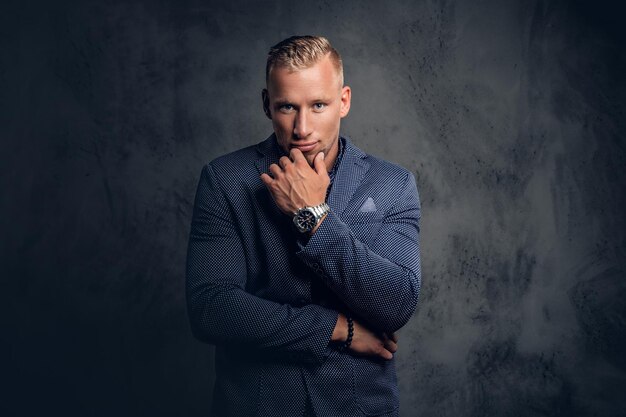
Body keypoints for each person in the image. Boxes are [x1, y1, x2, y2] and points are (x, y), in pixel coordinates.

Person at [186, 35, 421, 417]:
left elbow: (396, 304)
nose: (302, 128)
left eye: (318, 105)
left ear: (343, 101)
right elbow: (212, 309)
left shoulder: (392, 184)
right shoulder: (225, 180)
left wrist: (313, 215)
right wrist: (336, 329)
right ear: (267, 105)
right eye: (286, 107)